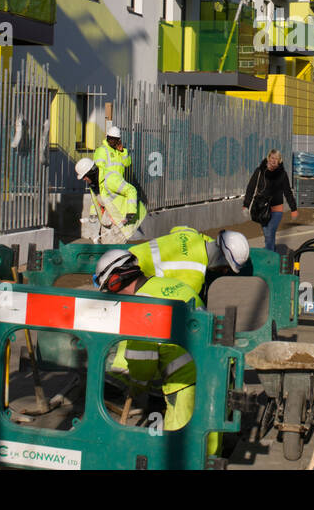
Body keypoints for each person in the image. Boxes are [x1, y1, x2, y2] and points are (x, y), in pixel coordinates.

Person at [91, 250, 217, 454]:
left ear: (116, 282)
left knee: (181, 452)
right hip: (216, 372)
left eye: (111, 291)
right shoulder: (167, 284)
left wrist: (137, 386)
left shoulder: (141, 305)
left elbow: (142, 363)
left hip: (186, 383)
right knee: (209, 446)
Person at [110, 225, 251, 294]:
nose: (225, 271)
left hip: (117, 262)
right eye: (227, 267)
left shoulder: (190, 234)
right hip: (127, 286)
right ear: (221, 259)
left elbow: (176, 229)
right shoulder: (194, 277)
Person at [242, 149, 298, 251]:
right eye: (272, 158)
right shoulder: (259, 171)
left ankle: (269, 257)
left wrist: (293, 209)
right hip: (261, 209)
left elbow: (287, 192)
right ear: (268, 158)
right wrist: (246, 205)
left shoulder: (282, 174)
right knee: (267, 234)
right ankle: (271, 253)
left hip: (276, 209)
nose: (274, 160)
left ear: (279, 161)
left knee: (270, 232)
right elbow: (250, 188)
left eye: (276, 158)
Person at [93, 125, 144, 230]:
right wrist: (101, 187)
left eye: (114, 139)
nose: (112, 141)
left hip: (118, 183)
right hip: (108, 183)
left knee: (113, 209)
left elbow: (127, 163)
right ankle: (130, 214)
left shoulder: (119, 151)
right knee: (130, 191)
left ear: (118, 140)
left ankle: (113, 228)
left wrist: (122, 152)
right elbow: (99, 170)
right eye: (110, 138)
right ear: (107, 138)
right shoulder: (102, 150)